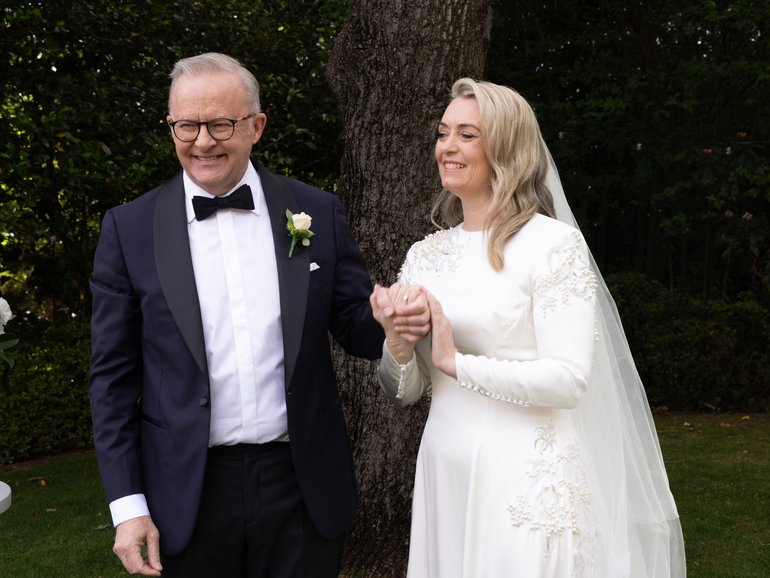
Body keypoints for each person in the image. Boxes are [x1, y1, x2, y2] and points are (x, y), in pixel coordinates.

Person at [88, 52, 418, 577]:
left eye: (220, 123)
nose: (202, 141)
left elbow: (354, 325)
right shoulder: (129, 229)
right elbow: (110, 379)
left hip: (301, 484)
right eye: (185, 125)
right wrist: (128, 508)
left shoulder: (317, 211)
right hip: (185, 493)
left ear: (256, 126)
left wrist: (388, 321)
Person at [370, 79, 686, 577]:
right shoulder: (424, 255)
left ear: (507, 147)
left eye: (467, 135)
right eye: (443, 132)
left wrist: (456, 362)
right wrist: (398, 345)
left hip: (524, 475)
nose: (447, 146)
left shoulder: (551, 246)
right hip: (445, 469)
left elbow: (568, 380)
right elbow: (406, 393)